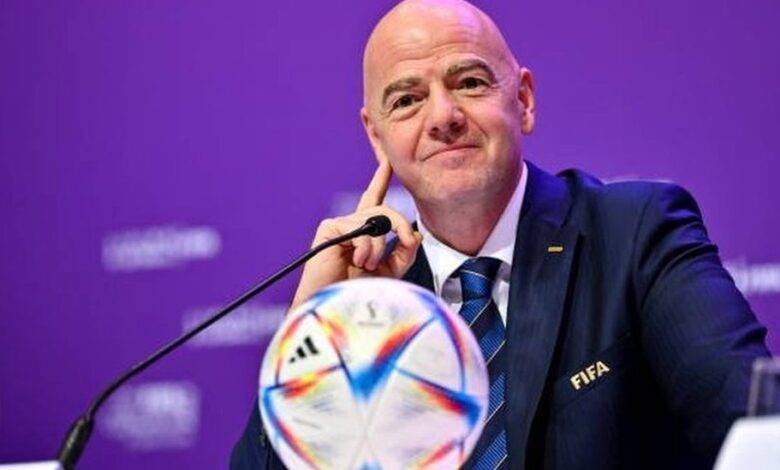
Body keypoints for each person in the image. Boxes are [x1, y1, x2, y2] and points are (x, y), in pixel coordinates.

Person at [231, 0, 770, 468]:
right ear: (377, 137)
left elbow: (754, 427)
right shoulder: (373, 307)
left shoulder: (633, 233)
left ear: (524, 100)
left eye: (469, 83)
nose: (442, 116)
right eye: (406, 100)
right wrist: (312, 329)